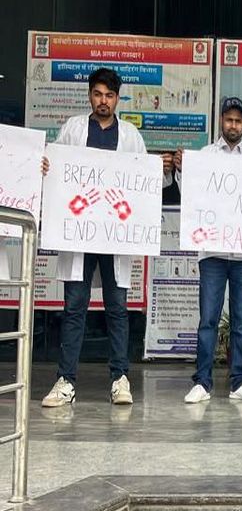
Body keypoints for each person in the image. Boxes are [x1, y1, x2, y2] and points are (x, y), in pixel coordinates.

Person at [40, 67, 173, 408]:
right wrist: (45, 167)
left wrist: (162, 171)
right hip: (79, 236)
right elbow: (56, 171)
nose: (103, 101)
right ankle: (66, 381)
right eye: (98, 94)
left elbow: (145, 182)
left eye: (109, 96)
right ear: (90, 95)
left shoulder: (130, 136)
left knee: (117, 309)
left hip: (115, 237)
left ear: (117, 99)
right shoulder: (73, 129)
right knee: (74, 307)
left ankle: (120, 379)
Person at [179, 97, 242, 404]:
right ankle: (202, 382)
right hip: (212, 253)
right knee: (208, 320)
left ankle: (240, 382)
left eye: (238, 120)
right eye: (229, 119)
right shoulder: (204, 157)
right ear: (221, 121)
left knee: (241, 322)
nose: (233, 125)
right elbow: (191, 194)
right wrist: (184, 170)